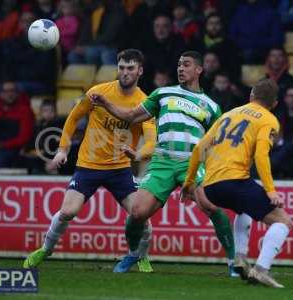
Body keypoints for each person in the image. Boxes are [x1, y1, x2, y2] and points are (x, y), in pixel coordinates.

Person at [91, 51, 237, 276]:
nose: (180, 68)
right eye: (179, 64)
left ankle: (232, 262)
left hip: (192, 163)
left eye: (186, 65)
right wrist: (105, 103)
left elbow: (217, 144)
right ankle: (133, 253)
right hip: (162, 162)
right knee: (137, 213)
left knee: (211, 206)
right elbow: (130, 115)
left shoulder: (212, 106)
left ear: (198, 70)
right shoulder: (162, 94)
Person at [23, 49, 157, 273]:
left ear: (140, 71)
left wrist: (140, 154)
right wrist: (62, 149)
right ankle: (45, 249)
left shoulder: (144, 103)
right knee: (67, 212)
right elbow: (74, 117)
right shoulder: (98, 92)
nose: (125, 72)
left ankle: (140, 256)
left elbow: (151, 141)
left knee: (140, 215)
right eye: (122, 67)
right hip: (88, 166)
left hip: (120, 169)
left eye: (130, 68)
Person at [182, 79, 292, 288]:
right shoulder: (269, 119)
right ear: (275, 104)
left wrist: (188, 183)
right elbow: (261, 155)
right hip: (235, 181)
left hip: (211, 187)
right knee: (283, 222)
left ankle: (240, 259)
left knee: (244, 210)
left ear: (251, 95)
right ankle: (260, 271)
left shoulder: (229, 114)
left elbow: (198, 150)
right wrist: (270, 191)